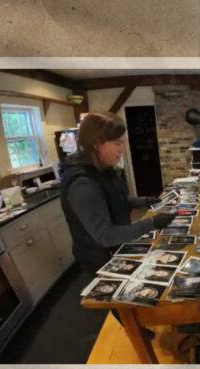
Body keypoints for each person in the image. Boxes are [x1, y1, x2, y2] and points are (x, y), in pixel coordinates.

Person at [60, 112, 175, 339]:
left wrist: (143, 201)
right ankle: (135, 332)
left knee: (130, 294)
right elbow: (105, 235)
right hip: (98, 254)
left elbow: (115, 199)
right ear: (97, 144)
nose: (122, 149)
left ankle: (136, 325)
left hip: (114, 248)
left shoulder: (102, 169)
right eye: (117, 143)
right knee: (119, 299)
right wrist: (151, 223)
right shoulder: (82, 183)